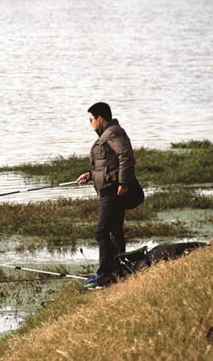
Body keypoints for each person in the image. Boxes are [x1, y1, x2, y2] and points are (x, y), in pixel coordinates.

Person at [76, 102, 136, 288]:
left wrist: (124, 183)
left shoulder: (113, 133)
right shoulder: (108, 134)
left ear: (100, 118)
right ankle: (118, 270)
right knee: (114, 230)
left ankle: (104, 275)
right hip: (108, 188)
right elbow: (108, 164)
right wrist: (90, 175)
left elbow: (126, 156)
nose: (91, 124)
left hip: (111, 190)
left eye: (91, 120)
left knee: (101, 231)